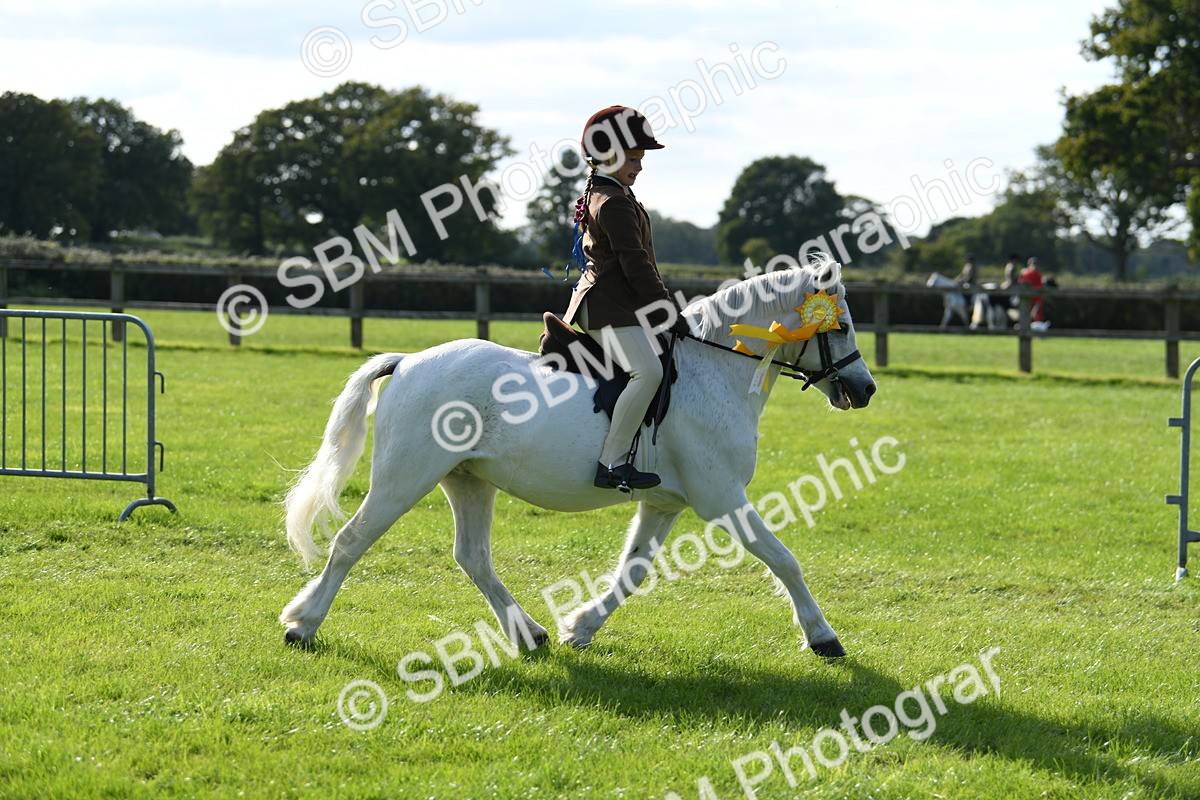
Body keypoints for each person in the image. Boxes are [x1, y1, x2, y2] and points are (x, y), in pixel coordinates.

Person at [562, 105, 688, 491]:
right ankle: (612, 462)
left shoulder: (612, 192)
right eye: (634, 158)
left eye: (641, 158)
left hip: (615, 304)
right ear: (612, 155)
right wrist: (666, 309)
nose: (640, 166)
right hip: (608, 307)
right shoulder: (614, 201)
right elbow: (636, 265)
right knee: (647, 372)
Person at [1018, 256, 1046, 324]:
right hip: (1026, 298)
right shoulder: (1025, 273)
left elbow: (1040, 288)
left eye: (1036, 264)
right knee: (1026, 315)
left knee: (1036, 316)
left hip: (1036, 299)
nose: (1035, 266)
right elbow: (1020, 283)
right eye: (1034, 264)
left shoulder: (1038, 275)